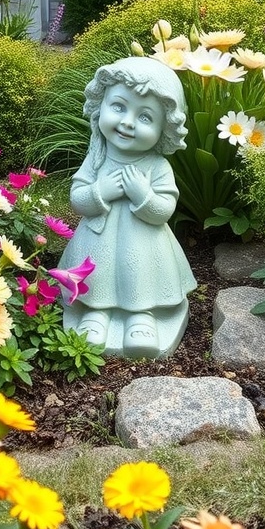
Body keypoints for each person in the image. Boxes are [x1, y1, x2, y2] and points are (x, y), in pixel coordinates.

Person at [58, 56, 196, 358]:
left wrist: (142, 195)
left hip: (144, 242)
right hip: (97, 237)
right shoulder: (96, 157)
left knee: (140, 273)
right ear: (101, 105)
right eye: (118, 106)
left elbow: (164, 209)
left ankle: (142, 318)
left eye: (145, 117)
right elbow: (77, 198)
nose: (127, 122)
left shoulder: (157, 166)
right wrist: (100, 192)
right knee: (99, 272)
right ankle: (95, 315)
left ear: (163, 130)